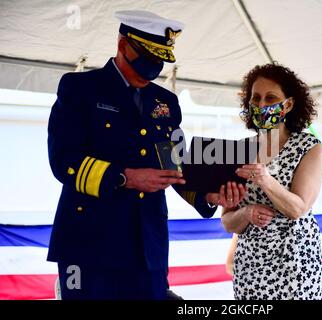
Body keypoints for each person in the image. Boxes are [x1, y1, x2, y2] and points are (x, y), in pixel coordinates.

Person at [47, 10, 245, 300]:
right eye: (146, 60)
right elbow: (64, 161)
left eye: (158, 62)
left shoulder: (164, 102)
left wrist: (207, 195)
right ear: (122, 45)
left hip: (147, 244)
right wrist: (125, 177)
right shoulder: (80, 89)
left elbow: (174, 163)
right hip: (90, 242)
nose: (151, 70)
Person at [221, 63, 322, 300]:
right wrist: (246, 213)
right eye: (255, 98)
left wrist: (266, 179)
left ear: (288, 104)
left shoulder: (308, 147)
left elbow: (297, 209)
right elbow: (227, 221)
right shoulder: (239, 150)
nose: (261, 105)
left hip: (295, 267)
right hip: (249, 268)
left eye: (270, 98)